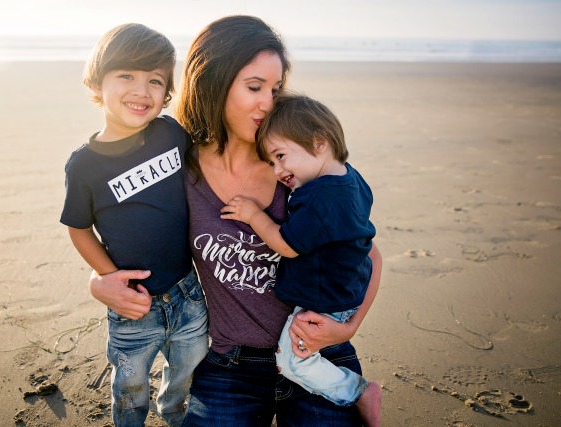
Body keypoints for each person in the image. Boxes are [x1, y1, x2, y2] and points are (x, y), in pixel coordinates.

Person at [89, 15, 383, 426]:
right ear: (216, 80)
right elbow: (128, 227)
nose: (268, 102)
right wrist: (99, 279)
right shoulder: (181, 168)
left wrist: (348, 328)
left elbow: (369, 254)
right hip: (231, 365)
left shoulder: (295, 170)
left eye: (275, 89)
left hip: (316, 355)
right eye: (254, 87)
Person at [60, 23, 208, 427]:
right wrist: (108, 279)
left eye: (155, 81)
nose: (142, 91)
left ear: (166, 94)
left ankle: (174, 409)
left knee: (190, 365)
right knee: (130, 381)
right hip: (131, 304)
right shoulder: (85, 165)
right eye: (126, 75)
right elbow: (78, 227)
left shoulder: (172, 134)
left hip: (187, 290)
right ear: (98, 80)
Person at [220, 93, 381, 426]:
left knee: (294, 363)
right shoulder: (350, 179)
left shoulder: (320, 196)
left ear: (319, 142)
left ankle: (358, 391)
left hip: (323, 306)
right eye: (271, 163)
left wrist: (253, 214)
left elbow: (286, 244)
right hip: (344, 294)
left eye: (280, 156)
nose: (278, 170)